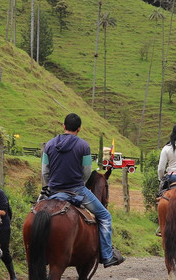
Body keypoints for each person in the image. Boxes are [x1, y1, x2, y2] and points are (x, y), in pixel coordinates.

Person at [41, 113, 125, 268]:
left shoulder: (50, 145)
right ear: (79, 129)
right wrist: (79, 183)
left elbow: (45, 172)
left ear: (63, 126)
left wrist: (52, 186)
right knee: (105, 216)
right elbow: (86, 172)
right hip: (77, 190)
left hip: (54, 191)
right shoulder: (83, 146)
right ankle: (107, 256)